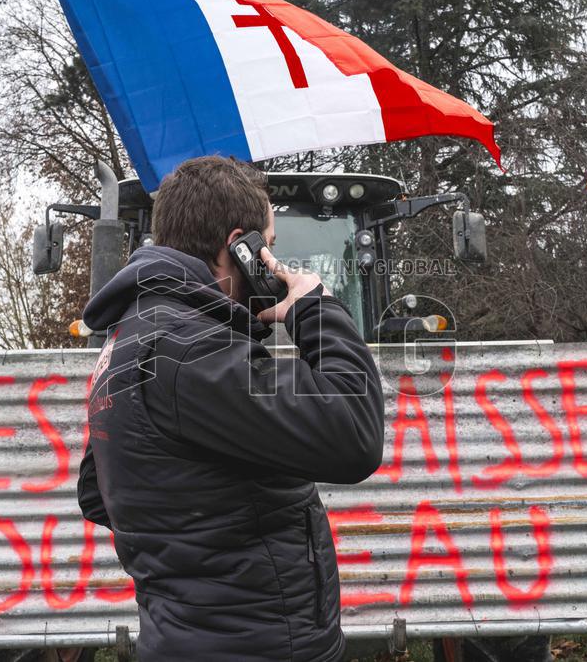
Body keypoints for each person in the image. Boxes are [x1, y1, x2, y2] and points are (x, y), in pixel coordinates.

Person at [77, 156, 385, 662]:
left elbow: (98, 493)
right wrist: (317, 307)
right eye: (270, 247)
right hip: (253, 644)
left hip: (187, 636)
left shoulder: (132, 338)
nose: (273, 263)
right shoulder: (191, 349)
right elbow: (353, 431)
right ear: (241, 246)